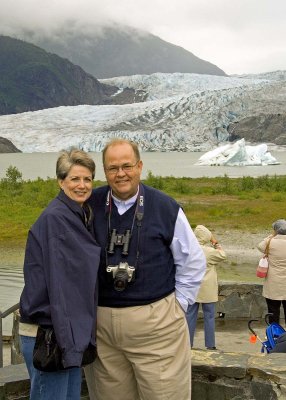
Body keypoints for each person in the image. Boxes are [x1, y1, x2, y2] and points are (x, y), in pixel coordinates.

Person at [84, 138, 206, 400]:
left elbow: (193, 261)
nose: (121, 174)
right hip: (102, 331)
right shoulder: (89, 205)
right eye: (113, 168)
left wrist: (178, 306)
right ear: (105, 172)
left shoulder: (164, 207)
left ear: (140, 166)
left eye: (127, 166)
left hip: (157, 327)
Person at [19, 149, 101, 400]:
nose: (82, 185)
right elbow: (61, 287)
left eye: (87, 179)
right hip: (51, 335)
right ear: (61, 181)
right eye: (75, 179)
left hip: (65, 333)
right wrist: (70, 344)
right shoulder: (57, 219)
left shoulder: (77, 215)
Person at [186, 225, 226, 350]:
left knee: (190, 316)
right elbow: (223, 255)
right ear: (207, 237)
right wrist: (215, 243)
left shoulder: (188, 248)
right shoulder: (208, 251)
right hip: (207, 289)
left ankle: (187, 344)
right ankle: (210, 345)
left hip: (192, 287)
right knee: (209, 316)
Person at [257, 219, 286, 325]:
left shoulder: (271, 242)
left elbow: (260, 246)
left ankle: (274, 336)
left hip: (273, 284)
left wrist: (271, 235)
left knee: (273, 311)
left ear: (276, 230)